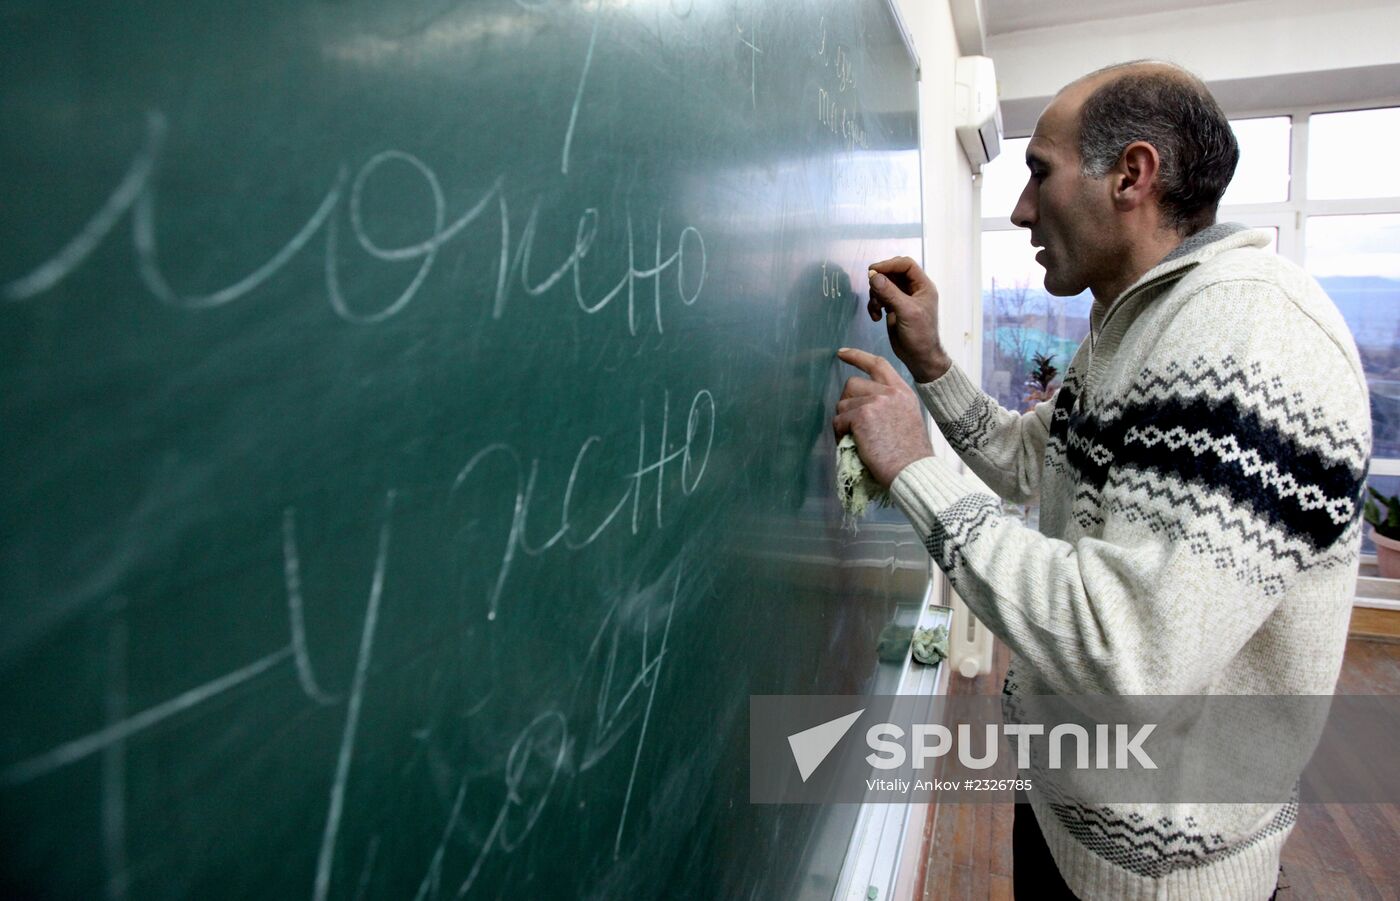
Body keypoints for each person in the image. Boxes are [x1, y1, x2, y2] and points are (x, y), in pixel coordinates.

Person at [833, 60, 1371, 899]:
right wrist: (933, 364)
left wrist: (915, 466)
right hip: (1069, 822)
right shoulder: (1131, 332)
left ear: (1132, 175)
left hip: (1157, 879)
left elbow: (1135, 655)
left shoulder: (1249, 342)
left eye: (1038, 173)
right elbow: (1024, 455)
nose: (1019, 210)